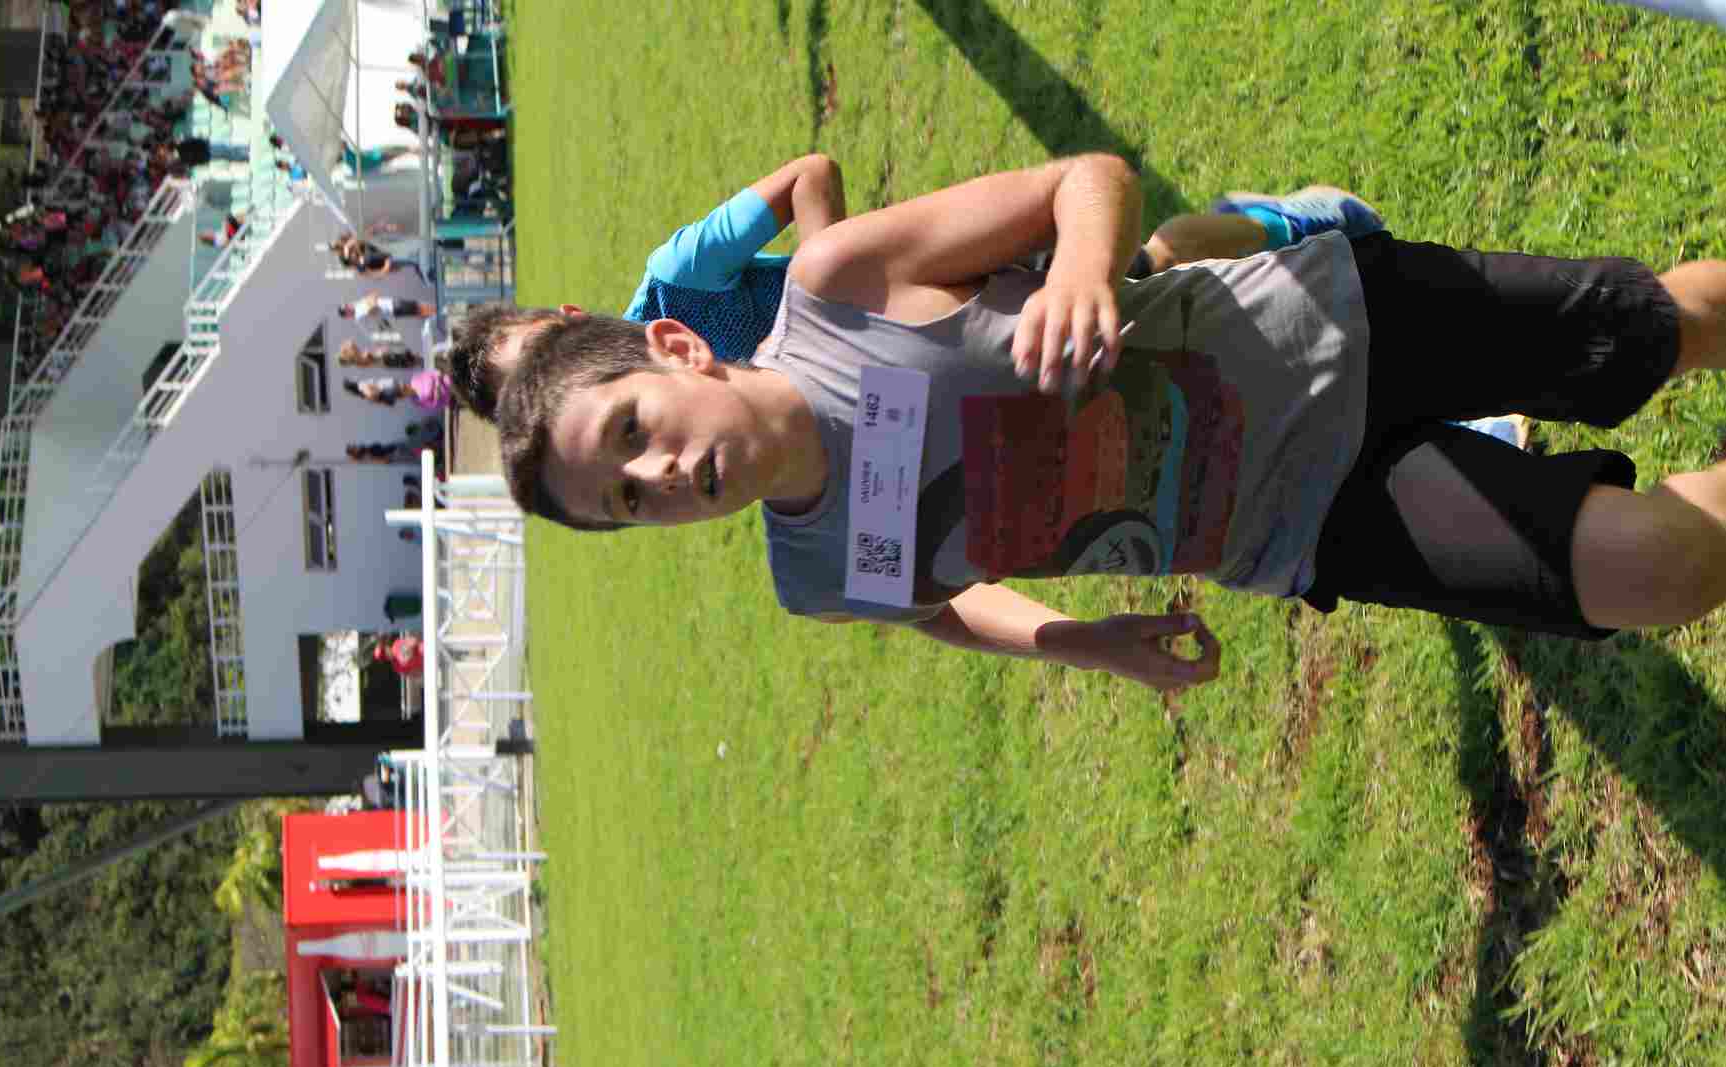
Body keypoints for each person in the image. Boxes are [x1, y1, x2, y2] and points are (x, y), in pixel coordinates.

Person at [496, 154, 1726, 693]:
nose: (662, 473)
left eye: (632, 433)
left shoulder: (839, 285)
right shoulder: (813, 577)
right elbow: (933, 604)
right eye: (628, 501)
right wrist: (1082, 643)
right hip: (1299, 522)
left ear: (674, 347)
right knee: (1663, 571)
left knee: (1661, 329)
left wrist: (1084, 270)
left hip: (1323, 324)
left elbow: (1081, 180)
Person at [449, 154, 1384, 422]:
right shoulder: (655, 440)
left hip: (930, 296)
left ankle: (1283, 225)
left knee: (1146, 269)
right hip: (926, 390)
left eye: (548, 353)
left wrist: (828, 296)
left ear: (568, 318)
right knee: (1148, 381)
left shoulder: (676, 279)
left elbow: (810, 174)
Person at [339, 293, 436, 330]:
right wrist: (371, 302)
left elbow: (373, 294)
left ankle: (437, 311)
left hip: (393, 302)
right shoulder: (358, 316)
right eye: (346, 309)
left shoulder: (358, 304)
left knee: (419, 306)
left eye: (346, 305)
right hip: (393, 309)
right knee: (419, 310)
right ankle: (438, 313)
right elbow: (374, 308)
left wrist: (371, 301)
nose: (348, 306)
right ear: (347, 315)